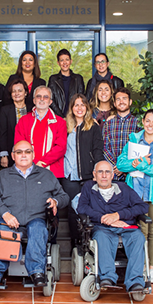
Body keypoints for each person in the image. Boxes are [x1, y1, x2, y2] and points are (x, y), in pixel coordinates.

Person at [0, 140, 69, 286]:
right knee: (0, 230)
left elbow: (64, 197)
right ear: (13, 155)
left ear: (33, 154)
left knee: (38, 229)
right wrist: (5, 213)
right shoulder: (2, 176)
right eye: (19, 152)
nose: (24, 155)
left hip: (36, 218)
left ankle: (37, 272)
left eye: (27, 152)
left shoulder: (46, 175)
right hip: (7, 219)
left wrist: (56, 201)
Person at [117, 109, 153, 283]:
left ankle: (152, 269)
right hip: (135, 193)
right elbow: (121, 164)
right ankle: (139, 267)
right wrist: (134, 163)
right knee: (140, 231)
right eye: (147, 121)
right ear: (143, 122)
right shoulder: (134, 140)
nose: (150, 125)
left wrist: (143, 166)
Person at [77, 161, 149, 292]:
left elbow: (143, 207)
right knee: (101, 237)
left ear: (112, 175)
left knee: (138, 237)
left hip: (125, 226)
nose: (104, 175)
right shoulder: (88, 187)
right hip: (102, 227)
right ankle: (107, 277)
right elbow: (81, 207)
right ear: (94, 175)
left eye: (107, 172)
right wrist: (105, 219)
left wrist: (118, 215)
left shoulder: (124, 188)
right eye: (100, 172)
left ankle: (135, 281)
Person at [62, 94, 104, 248]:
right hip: (69, 176)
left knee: (89, 209)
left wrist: (97, 171)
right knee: (73, 210)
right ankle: (76, 243)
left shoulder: (93, 126)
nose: (79, 108)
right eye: (76, 105)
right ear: (72, 108)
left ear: (87, 108)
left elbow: (98, 150)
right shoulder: (65, 126)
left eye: (82, 105)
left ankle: (89, 243)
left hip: (87, 175)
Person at [14, 85, 67, 178]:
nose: (42, 99)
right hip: (28, 169)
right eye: (39, 96)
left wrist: (42, 163)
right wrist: (33, 164)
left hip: (52, 171)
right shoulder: (23, 120)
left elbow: (61, 147)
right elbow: (19, 145)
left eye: (45, 97)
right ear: (34, 100)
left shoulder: (60, 122)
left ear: (50, 102)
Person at [102, 87, 141, 182]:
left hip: (132, 175)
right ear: (114, 104)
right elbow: (104, 148)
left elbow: (140, 148)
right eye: (118, 99)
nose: (121, 101)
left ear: (130, 102)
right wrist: (117, 167)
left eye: (124, 98)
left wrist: (125, 167)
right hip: (113, 175)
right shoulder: (108, 124)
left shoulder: (138, 123)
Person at [0, 77, 30, 168]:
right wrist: (4, 155)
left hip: (30, 153)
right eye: (14, 91)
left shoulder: (32, 109)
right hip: (12, 152)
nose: (17, 93)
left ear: (25, 93)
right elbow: (2, 134)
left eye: (20, 90)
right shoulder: (5, 110)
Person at [47, 48, 85, 117]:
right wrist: (61, 117)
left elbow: (81, 99)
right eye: (62, 60)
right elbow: (51, 100)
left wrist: (73, 116)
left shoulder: (78, 79)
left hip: (75, 117)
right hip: (58, 118)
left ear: (71, 61)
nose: (65, 62)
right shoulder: (53, 79)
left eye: (67, 60)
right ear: (58, 63)